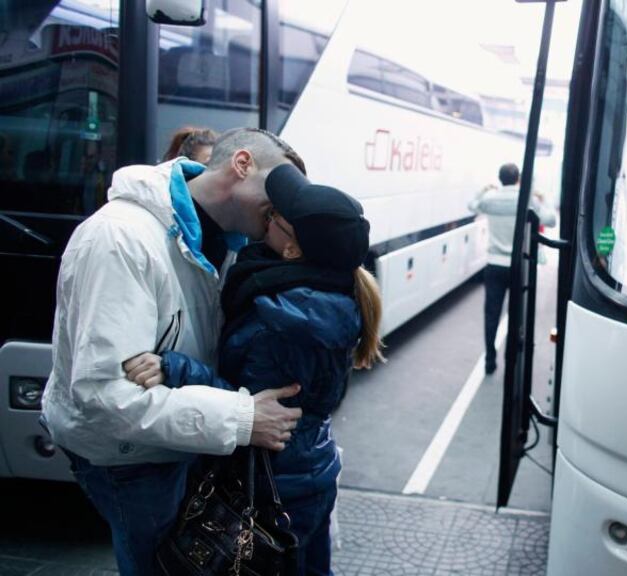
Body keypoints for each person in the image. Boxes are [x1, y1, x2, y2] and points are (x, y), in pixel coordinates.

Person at [40, 127, 307, 576]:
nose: (284, 209)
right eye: (280, 189)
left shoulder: (224, 239)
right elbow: (104, 397)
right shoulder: (119, 239)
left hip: (172, 444)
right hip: (129, 458)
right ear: (242, 165)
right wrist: (242, 419)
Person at [122, 163, 384, 575]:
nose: (269, 212)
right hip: (308, 469)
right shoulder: (326, 292)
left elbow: (248, 403)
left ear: (292, 249)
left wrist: (176, 368)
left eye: (276, 216)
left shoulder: (281, 322)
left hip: (274, 485)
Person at [468, 163, 555, 375]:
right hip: (518, 267)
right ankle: (510, 362)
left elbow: (472, 206)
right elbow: (551, 220)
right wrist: (545, 199)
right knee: (516, 315)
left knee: (491, 315)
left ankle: (490, 360)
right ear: (517, 179)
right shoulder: (527, 200)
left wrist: (483, 190)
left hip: (494, 266)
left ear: (500, 179)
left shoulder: (491, 200)